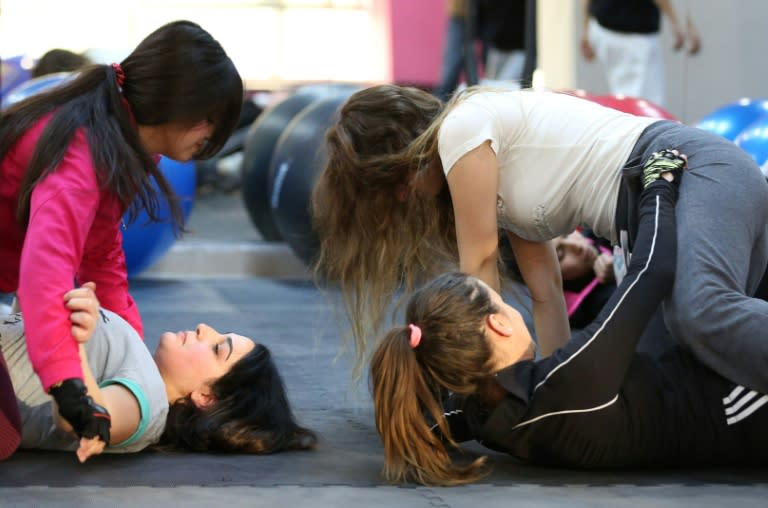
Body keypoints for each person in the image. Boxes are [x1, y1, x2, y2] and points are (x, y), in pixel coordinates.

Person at [311, 83, 768, 395]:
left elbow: (479, 273)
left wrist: (496, 387)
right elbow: (547, 295)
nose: (399, 197)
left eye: (391, 183)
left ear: (404, 155)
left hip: (687, 170)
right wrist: (546, 393)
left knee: (701, 311)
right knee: (653, 377)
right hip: (658, 210)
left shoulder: (461, 130)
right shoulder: (502, 183)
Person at [370, 164, 768, 486]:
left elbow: (433, 422)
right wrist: (656, 185)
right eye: (503, 304)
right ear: (498, 326)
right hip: (736, 399)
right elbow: (653, 270)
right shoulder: (567, 382)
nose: (513, 309)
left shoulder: (485, 411)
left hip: (669, 368)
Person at [0, 20, 243, 448]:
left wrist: (127, 339)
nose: (209, 137)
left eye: (219, 348)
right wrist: (67, 385)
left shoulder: (117, 140)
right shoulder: (83, 149)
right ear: (183, 108)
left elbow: (102, 254)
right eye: (210, 122)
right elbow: (46, 271)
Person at [0, 283, 316, 462]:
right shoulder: (138, 361)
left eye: (218, 348)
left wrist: (74, 340)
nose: (204, 328)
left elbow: (81, 419)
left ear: (205, 397)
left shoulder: (148, 405)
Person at [580, 0, 701, 106]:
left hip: (603, 27)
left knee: (628, 98)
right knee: (642, 105)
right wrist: (677, 23)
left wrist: (586, 29)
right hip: (631, 35)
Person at [552, 229, 616, 329]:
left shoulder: (597, 229)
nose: (577, 245)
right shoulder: (596, 312)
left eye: (566, 234)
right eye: (560, 254)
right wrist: (622, 272)